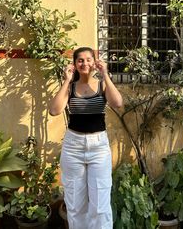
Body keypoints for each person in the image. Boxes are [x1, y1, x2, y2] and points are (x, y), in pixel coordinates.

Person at [49, 47, 123, 229]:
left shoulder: (102, 85)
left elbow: (118, 103)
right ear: (74, 64)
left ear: (95, 62)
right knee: (75, 203)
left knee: (101, 203)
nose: (85, 63)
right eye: (80, 60)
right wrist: (66, 80)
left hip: (98, 147)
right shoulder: (71, 87)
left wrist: (105, 75)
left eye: (88, 59)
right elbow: (54, 110)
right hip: (73, 147)